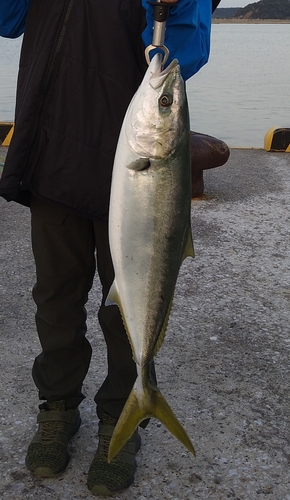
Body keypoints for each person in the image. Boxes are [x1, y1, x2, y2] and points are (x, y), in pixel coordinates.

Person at [0, 0, 220, 496]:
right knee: (55, 296)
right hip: (51, 150)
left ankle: (123, 411)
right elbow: (8, 19)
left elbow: (184, 51)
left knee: (128, 302)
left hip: (128, 160)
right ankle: (57, 407)